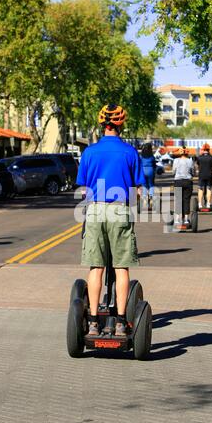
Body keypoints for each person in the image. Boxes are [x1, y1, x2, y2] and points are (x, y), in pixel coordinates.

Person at [76, 104, 145, 337]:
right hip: (120, 209)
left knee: (96, 267)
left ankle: (93, 322)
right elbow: (136, 191)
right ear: (121, 124)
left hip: (96, 209)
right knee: (121, 266)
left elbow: (84, 190)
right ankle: (120, 322)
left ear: (102, 124)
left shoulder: (89, 152)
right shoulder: (130, 152)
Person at [172, 147, 194, 225]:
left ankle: (177, 219)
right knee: (186, 200)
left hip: (178, 181)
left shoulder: (176, 161)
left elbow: (173, 172)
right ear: (187, 153)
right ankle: (186, 220)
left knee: (178, 200)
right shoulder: (190, 161)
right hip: (187, 181)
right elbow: (192, 171)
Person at [196, 143, 212, 209]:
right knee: (209, 189)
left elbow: (198, 165)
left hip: (201, 175)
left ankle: (200, 204)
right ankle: (208, 204)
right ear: (209, 149)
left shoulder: (199, 158)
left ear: (203, 149)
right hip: (209, 175)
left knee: (200, 189)